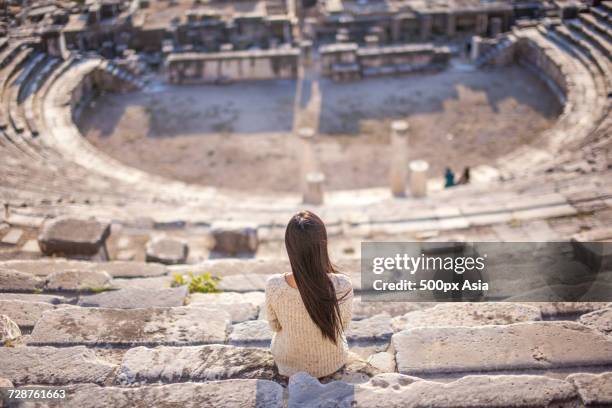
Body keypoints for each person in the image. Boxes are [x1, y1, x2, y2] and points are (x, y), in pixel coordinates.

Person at [265, 211, 353, 379]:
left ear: (289, 246)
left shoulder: (274, 286)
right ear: (323, 244)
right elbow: (343, 325)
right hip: (331, 362)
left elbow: (275, 326)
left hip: (287, 364)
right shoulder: (342, 285)